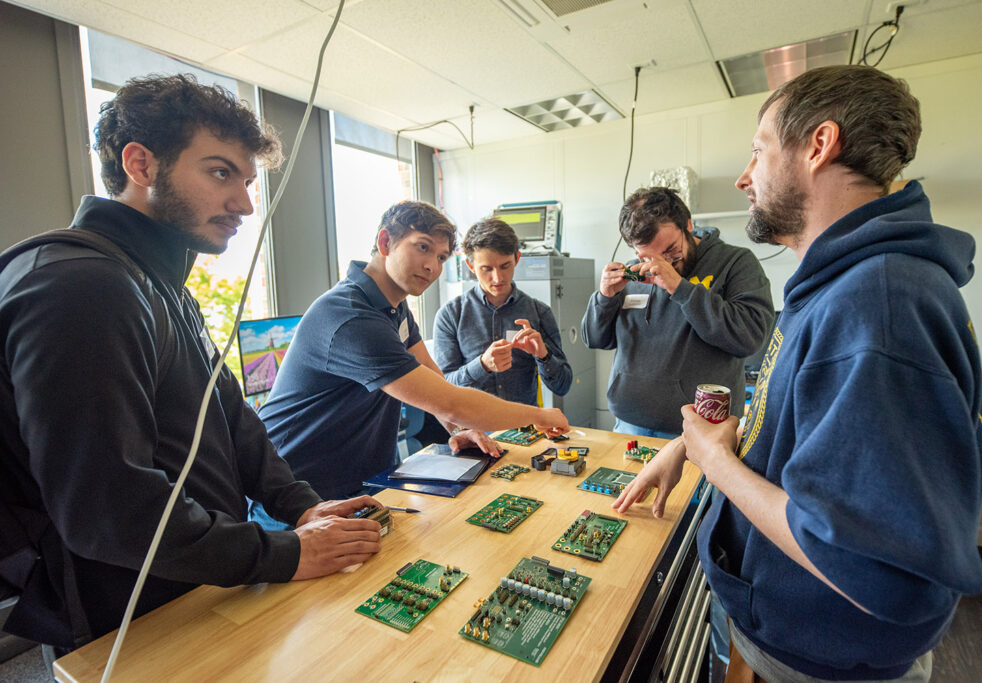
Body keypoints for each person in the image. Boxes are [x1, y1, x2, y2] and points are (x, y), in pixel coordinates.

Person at [615, 65, 982, 681]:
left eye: (758, 150)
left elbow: (874, 569)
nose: (744, 176)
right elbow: (800, 424)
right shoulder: (845, 286)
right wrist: (693, 443)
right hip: (782, 631)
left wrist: (717, 463)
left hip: (819, 660)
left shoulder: (880, 303)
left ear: (818, 145)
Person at [0, 75, 384, 654]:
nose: (245, 204)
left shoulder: (156, 282)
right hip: (128, 603)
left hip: (201, 576)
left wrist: (301, 506)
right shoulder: (81, 287)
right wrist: (282, 553)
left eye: (249, 181)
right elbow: (109, 510)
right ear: (141, 164)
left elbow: (228, 415)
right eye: (220, 172)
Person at [253, 202, 569, 518]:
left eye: (442, 257)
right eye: (423, 247)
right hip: (296, 492)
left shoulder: (396, 309)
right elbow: (452, 402)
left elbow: (434, 379)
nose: (432, 266)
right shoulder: (352, 316)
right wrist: (539, 415)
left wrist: (458, 428)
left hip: (361, 483)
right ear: (385, 242)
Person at [581, 186, 774, 439]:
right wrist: (605, 298)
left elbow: (750, 337)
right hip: (628, 425)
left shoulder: (735, 262)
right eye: (650, 256)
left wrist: (679, 288)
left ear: (689, 225)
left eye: (671, 250)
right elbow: (595, 339)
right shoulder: (633, 272)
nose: (663, 263)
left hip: (702, 431)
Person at [433, 217, 572, 406]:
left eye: (505, 266)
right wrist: (482, 365)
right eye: (486, 269)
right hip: (474, 431)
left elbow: (563, 386)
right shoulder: (450, 316)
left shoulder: (539, 313)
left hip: (524, 429)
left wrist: (543, 355)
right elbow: (443, 390)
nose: (497, 278)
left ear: (517, 259)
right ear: (471, 267)